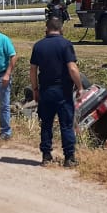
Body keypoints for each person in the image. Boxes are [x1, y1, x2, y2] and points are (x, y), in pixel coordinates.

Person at [29, 17, 84, 167]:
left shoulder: (38, 46)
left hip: (45, 91)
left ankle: (46, 156)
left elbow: (33, 70)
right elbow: (72, 68)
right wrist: (79, 87)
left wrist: (35, 89)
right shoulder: (65, 44)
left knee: (46, 124)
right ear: (61, 29)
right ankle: (69, 158)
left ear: (46, 29)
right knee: (66, 125)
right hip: (63, 91)